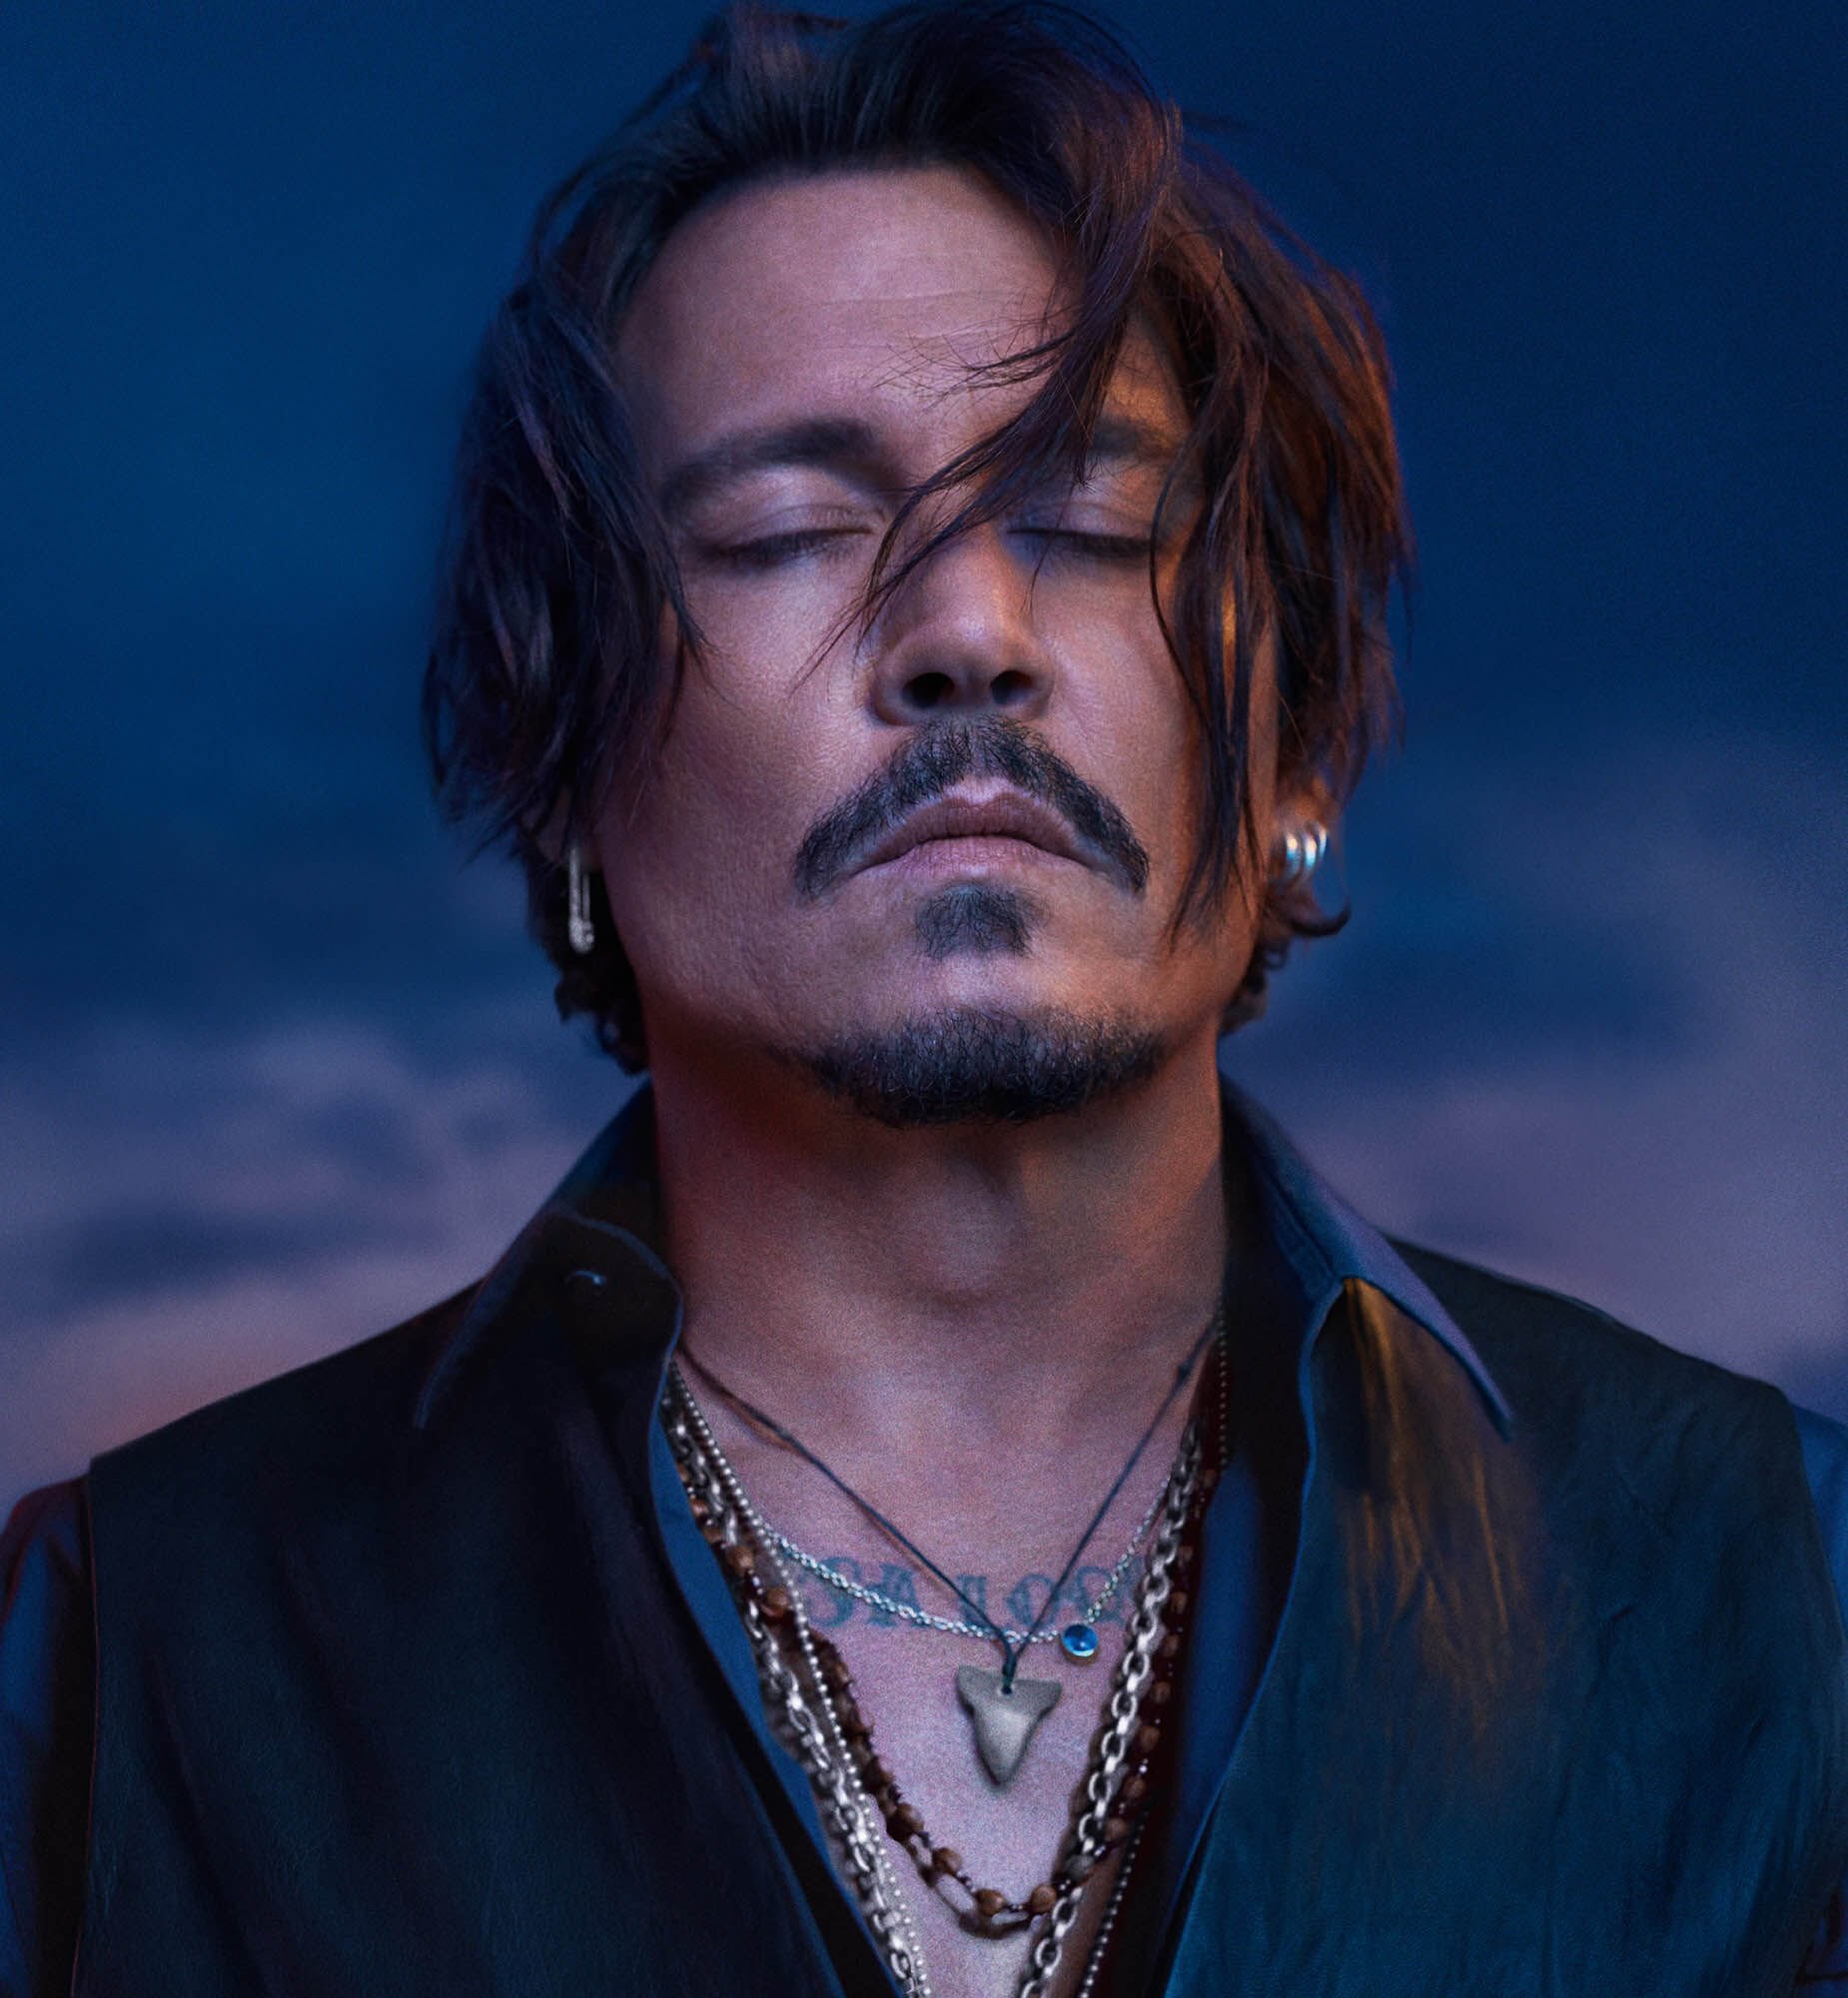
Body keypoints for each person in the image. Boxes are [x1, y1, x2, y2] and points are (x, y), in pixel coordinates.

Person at [4, 5, 1846, 1994]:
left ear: (1292, 752)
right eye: (788, 531)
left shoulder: (1780, 1591)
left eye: (1093, 526)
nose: (968, 631)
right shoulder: (124, 1654)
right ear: (567, 778)